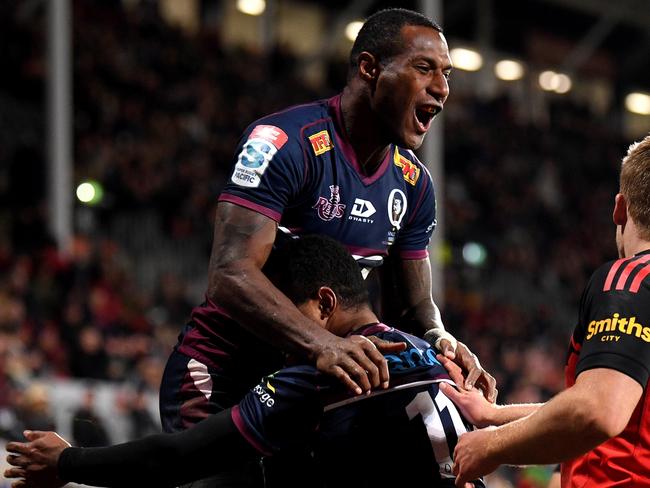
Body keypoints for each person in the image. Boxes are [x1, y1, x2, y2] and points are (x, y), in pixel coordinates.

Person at [159, 8, 496, 485]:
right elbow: (230, 274)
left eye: (447, 74)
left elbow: (414, 306)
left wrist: (442, 341)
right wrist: (323, 343)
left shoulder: (414, 184)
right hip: (222, 376)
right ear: (369, 68)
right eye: (424, 69)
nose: (442, 89)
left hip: (303, 389)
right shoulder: (284, 142)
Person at [5, 235, 484, 488]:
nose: (279, 336)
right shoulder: (439, 356)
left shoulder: (320, 378)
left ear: (323, 303)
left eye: (284, 313)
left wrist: (69, 461)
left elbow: (177, 457)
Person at [439, 135, 650, 487]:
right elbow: (616, 413)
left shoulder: (632, 280)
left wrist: (490, 448)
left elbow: (597, 411)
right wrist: (493, 416)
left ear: (620, 208)